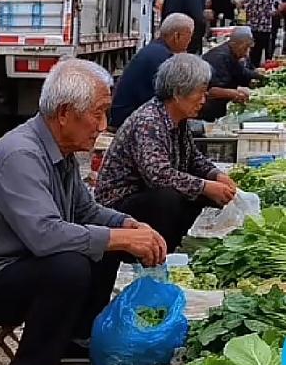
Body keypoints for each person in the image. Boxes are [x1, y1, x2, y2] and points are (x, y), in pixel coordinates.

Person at [0, 60, 167, 365]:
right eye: (97, 113)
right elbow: (45, 236)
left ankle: (74, 339)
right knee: (71, 264)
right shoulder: (21, 155)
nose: (103, 125)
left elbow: (86, 212)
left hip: (22, 266)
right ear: (64, 114)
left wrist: (129, 225)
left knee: (106, 242)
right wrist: (118, 238)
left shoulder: (59, 151)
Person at [95, 53, 238, 251]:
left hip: (144, 193)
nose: (204, 100)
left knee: (204, 192)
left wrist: (216, 175)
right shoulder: (150, 121)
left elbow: (193, 157)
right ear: (179, 93)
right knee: (169, 197)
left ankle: (181, 242)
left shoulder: (177, 118)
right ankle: (162, 252)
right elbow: (158, 175)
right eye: (200, 93)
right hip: (119, 205)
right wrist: (205, 186)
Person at [109, 14, 194, 130]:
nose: (190, 42)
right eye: (189, 37)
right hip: (128, 120)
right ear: (177, 36)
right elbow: (167, 98)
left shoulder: (155, 50)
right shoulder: (161, 57)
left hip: (126, 115)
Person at [200, 26, 264, 123]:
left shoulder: (232, 53)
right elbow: (211, 91)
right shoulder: (220, 57)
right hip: (208, 112)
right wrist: (236, 93)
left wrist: (258, 75)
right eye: (246, 47)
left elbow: (241, 73)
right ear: (236, 44)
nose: (247, 53)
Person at [248, 0, 279, 67]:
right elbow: (264, 11)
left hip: (255, 26)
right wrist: (275, 12)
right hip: (263, 27)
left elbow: (251, 8)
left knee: (255, 55)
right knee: (263, 54)